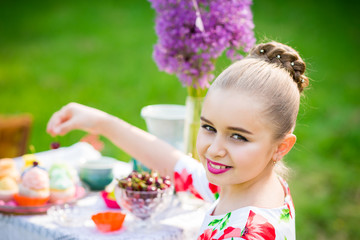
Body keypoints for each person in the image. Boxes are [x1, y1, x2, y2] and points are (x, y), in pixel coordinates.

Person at [47, 41, 308, 239]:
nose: (214, 149)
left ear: (281, 147)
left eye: (238, 137)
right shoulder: (244, 183)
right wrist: (101, 122)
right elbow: (174, 165)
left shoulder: (246, 232)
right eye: (208, 127)